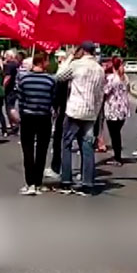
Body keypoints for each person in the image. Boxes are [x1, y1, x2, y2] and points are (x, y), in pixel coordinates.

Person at [56, 42, 105, 196]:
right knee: (87, 147)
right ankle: (87, 182)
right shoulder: (99, 69)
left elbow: (59, 76)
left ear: (82, 50)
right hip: (90, 112)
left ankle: (66, 180)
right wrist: (96, 113)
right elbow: (100, 95)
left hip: (74, 110)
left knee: (67, 144)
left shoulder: (77, 65)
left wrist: (70, 56)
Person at [16, 52, 56, 196]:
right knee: (42, 149)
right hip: (44, 117)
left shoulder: (24, 79)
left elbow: (20, 99)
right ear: (43, 62)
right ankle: (38, 182)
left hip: (27, 116)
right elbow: (53, 99)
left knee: (27, 149)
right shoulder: (51, 80)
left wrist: (22, 112)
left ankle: (29, 182)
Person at [46, 50, 69, 180]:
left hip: (64, 109)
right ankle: (84, 173)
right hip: (83, 110)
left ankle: (57, 168)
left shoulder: (64, 71)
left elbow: (58, 82)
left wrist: (54, 106)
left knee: (60, 140)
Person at [103, 57, 130, 166]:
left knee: (114, 135)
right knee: (117, 133)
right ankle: (117, 156)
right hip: (123, 109)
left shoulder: (112, 78)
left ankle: (117, 157)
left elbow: (105, 92)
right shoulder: (124, 78)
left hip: (113, 109)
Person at [2, 50, 20, 133]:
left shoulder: (9, 65)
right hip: (15, 87)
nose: (5, 57)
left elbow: (7, 77)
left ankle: (18, 121)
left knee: (10, 107)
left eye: (6, 55)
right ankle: (14, 125)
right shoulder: (17, 64)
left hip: (10, 89)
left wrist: (3, 86)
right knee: (11, 106)